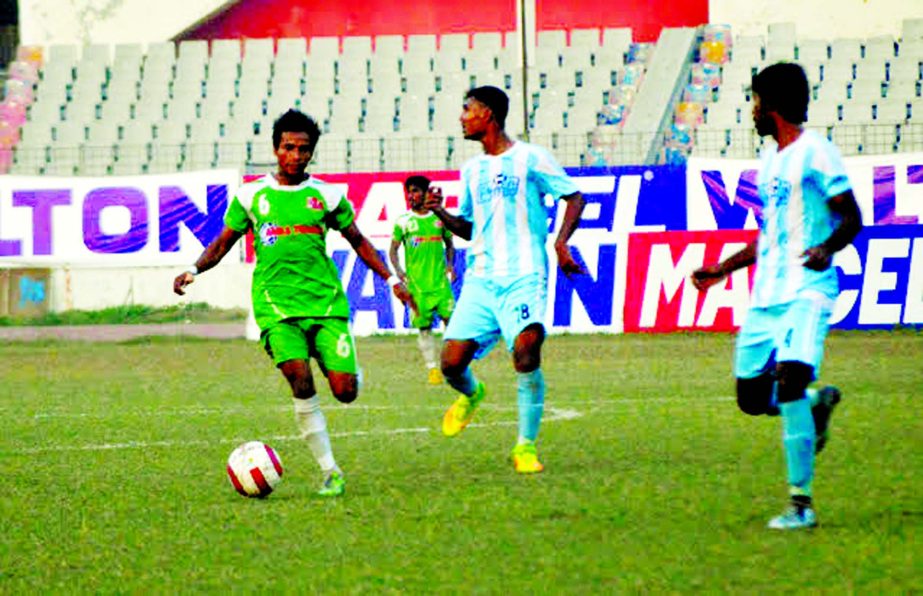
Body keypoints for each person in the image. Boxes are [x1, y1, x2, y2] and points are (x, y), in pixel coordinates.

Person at [173, 109, 415, 497]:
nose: (295, 155)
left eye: (304, 149)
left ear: (311, 153)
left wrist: (391, 279)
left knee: (346, 392)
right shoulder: (252, 195)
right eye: (288, 147)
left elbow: (358, 240)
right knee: (300, 381)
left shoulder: (326, 195)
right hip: (277, 307)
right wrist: (193, 270)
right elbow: (222, 243)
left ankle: (343, 364)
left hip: (325, 303)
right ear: (275, 148)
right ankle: (330, 471)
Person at [691, 63, 863, 530]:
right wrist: (722, 268)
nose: (752, 111)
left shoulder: (817, 152)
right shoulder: (770, 163)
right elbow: (769, 236)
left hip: (807, 289)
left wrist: (827, 249)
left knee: (787, 377)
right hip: (767, 294)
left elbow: (852, 218)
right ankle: (813, 406)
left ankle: (800, 503)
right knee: (750, 396)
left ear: (773, 105)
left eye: (755, 101)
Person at [424, 85, 586, 474]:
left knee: (527, 352)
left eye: (468, 109)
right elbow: (467, 228)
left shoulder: (530, 158)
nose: (462, 117)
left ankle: (525, 447)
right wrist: (439, 212)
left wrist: (562, 243)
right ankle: (472, 393)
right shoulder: (471, 170)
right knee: (450, 365)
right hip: (481, 279)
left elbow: (574, 197)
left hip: (524, 275)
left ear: (489, 114)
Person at [389, 175, 457, 385]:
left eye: (416, 191)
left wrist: (450, 266)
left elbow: (450, 245)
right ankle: (432, 368)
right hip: (417, 287)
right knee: (424, 328)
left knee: (452, 324)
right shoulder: (404, 222)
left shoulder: (439, 219)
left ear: (426, 193)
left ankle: (453, 364)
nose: (411, 196)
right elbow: (392, 250)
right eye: (409, 192)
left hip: (440, 284)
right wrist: (399, 272)